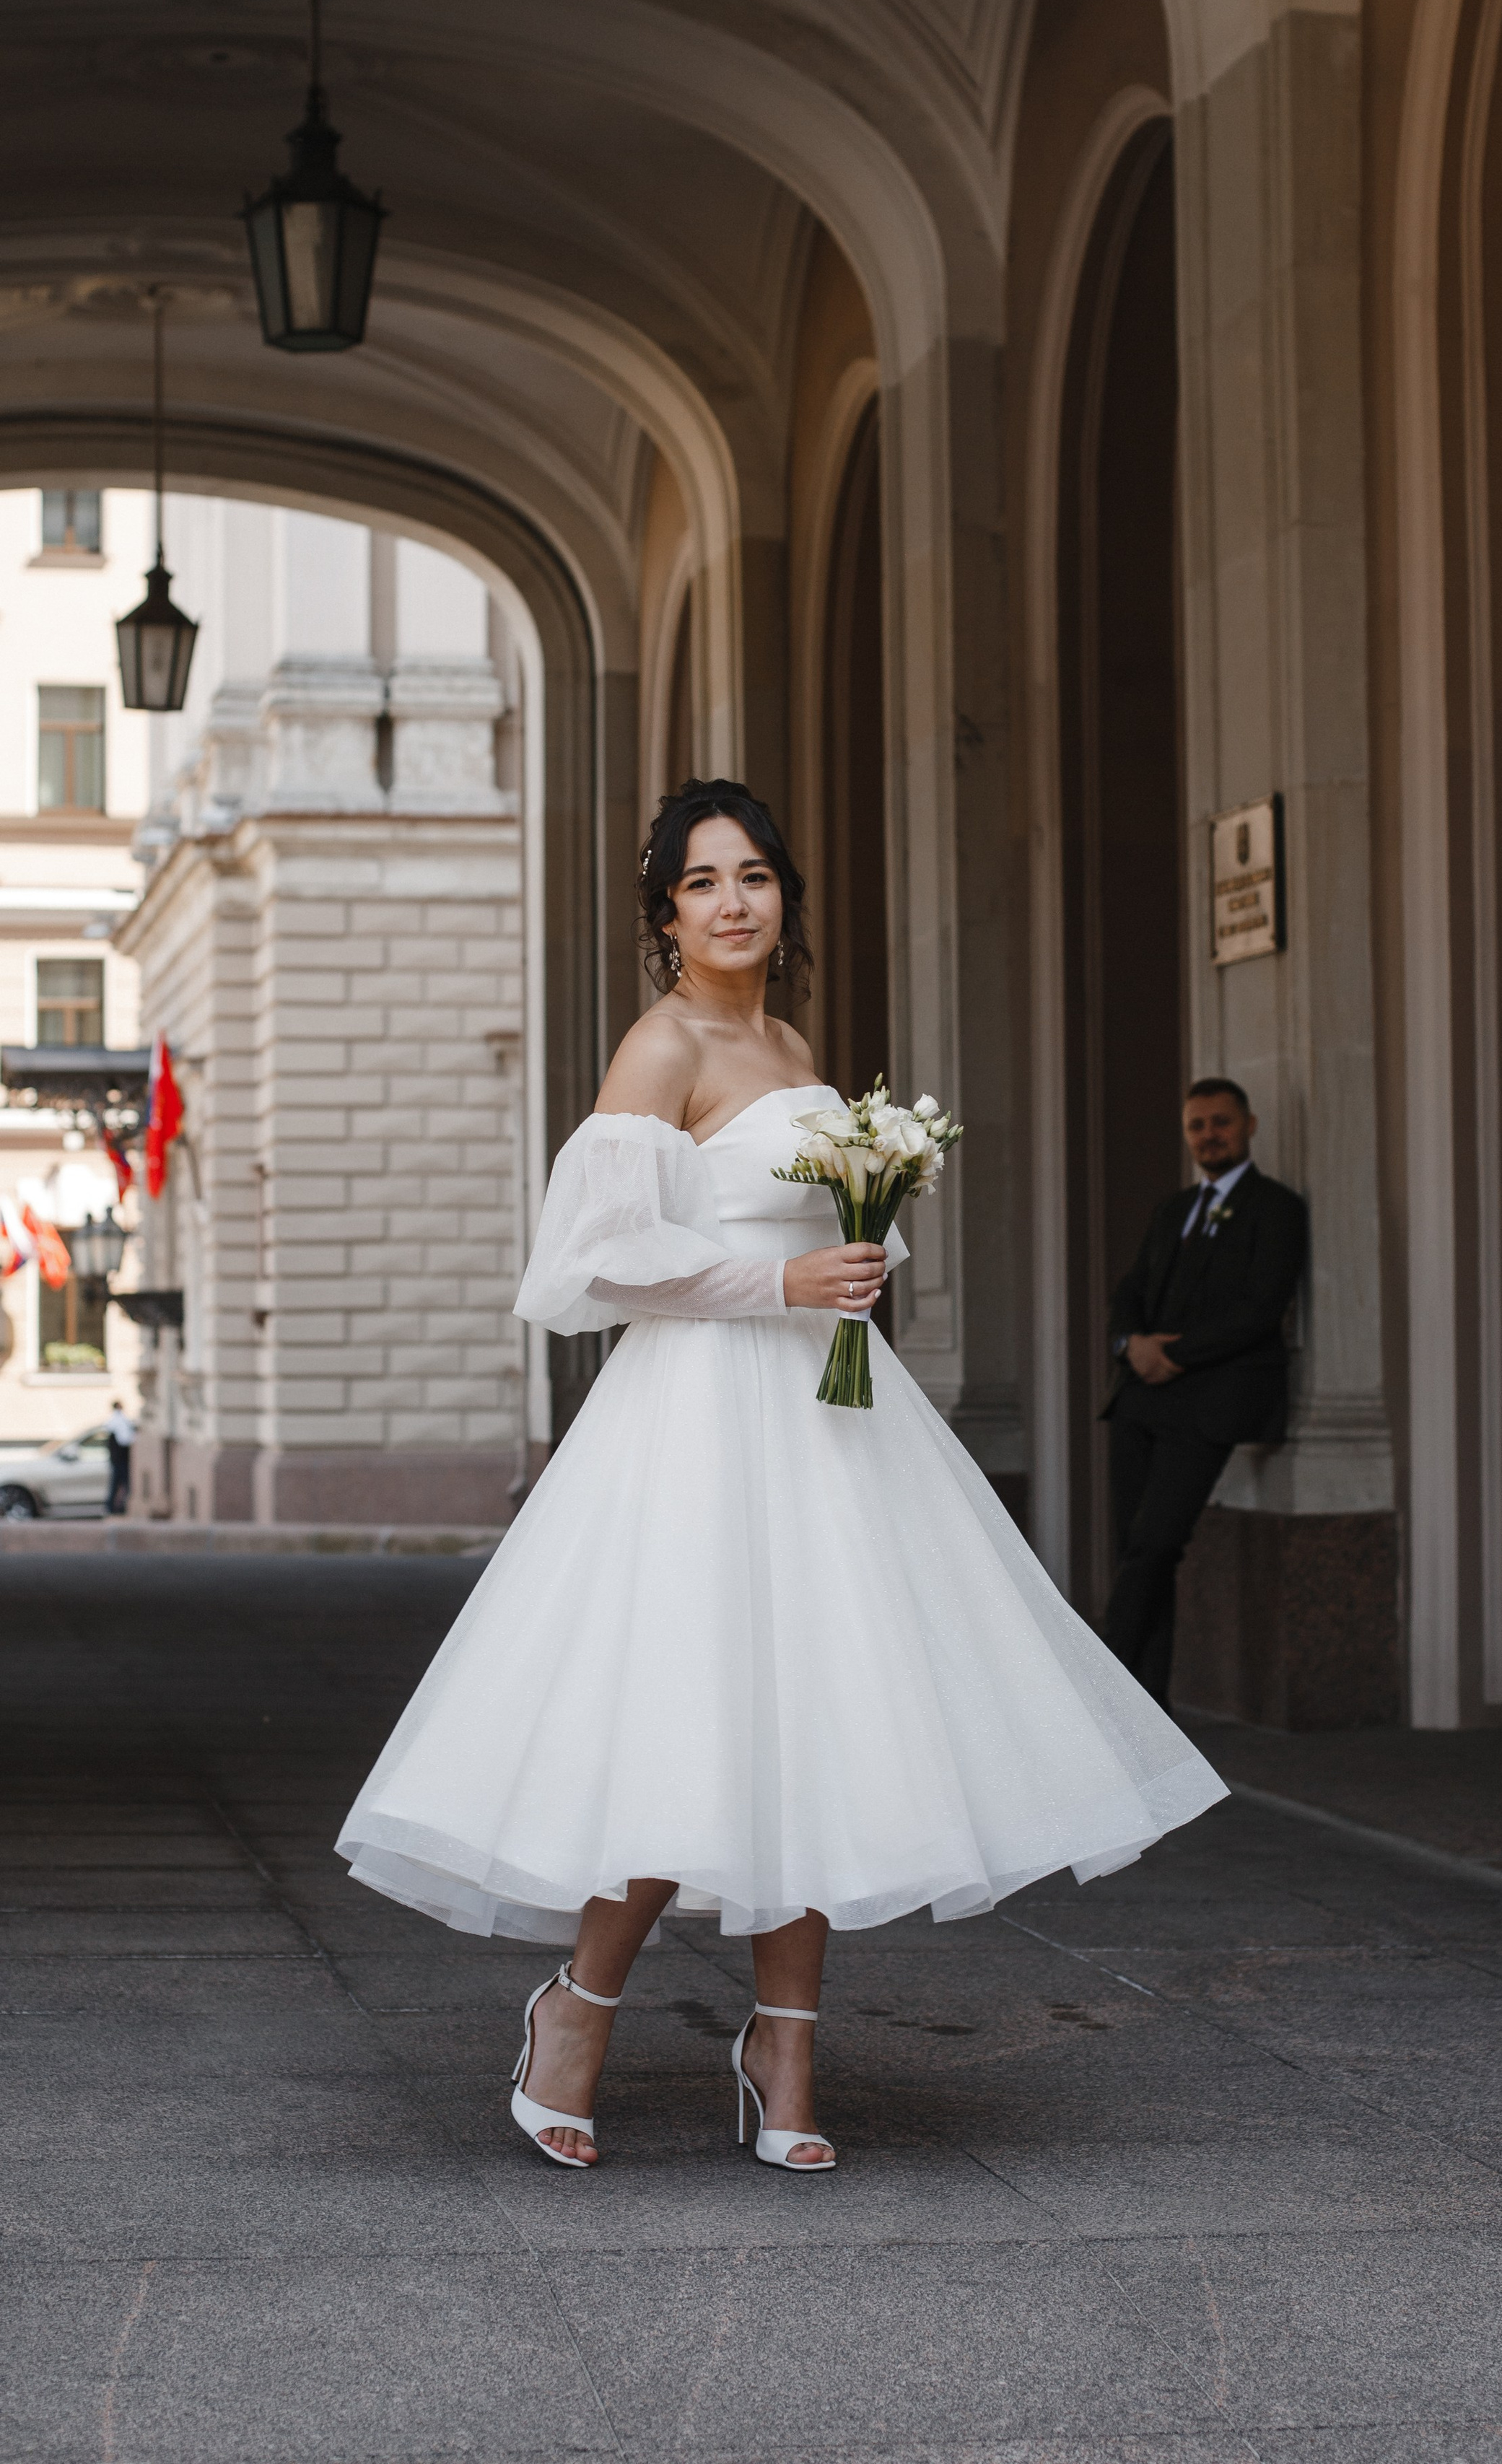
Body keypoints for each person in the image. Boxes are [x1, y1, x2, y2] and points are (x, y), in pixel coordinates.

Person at [338, 779, 1226, 2172]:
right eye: (703, 883)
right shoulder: (662, 1048)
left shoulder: (796, 1045)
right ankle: (574, 2013)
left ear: (782, 899)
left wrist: (858, 1265)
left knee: (814, 1728)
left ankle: (785, 2045)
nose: (735, 902)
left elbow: (809, 1230)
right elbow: (589, 1268)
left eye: (755, 877)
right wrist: (780, 1276)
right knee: (681, 1725)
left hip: (828, 1424)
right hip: (696, 1427)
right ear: (665, 914)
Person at [1101, 1078, 1307, 1707]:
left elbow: (1261, 1305)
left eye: (1221, 1122)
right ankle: (1148, 1704)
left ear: (1249, 1125)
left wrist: (1174, 1356)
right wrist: (1130, 1344)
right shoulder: (1174, 1209)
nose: (1209, 1135)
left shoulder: (1277, 1208)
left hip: (1210, 1404)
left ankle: (1100, 1686)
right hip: (1139, 1399)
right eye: (1197, 1125)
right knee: (1136, 1551)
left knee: (1158, 1542)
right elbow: (1130, 1290)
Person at [104, 1399, 137, 1515]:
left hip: (119, 1459)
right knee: (122, 1484)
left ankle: (116, 1506)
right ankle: (116, 1507)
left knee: (119, 1484)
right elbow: (125, 1440)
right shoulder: (117, 1421)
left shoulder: (117, 1420)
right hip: (120, 1459)